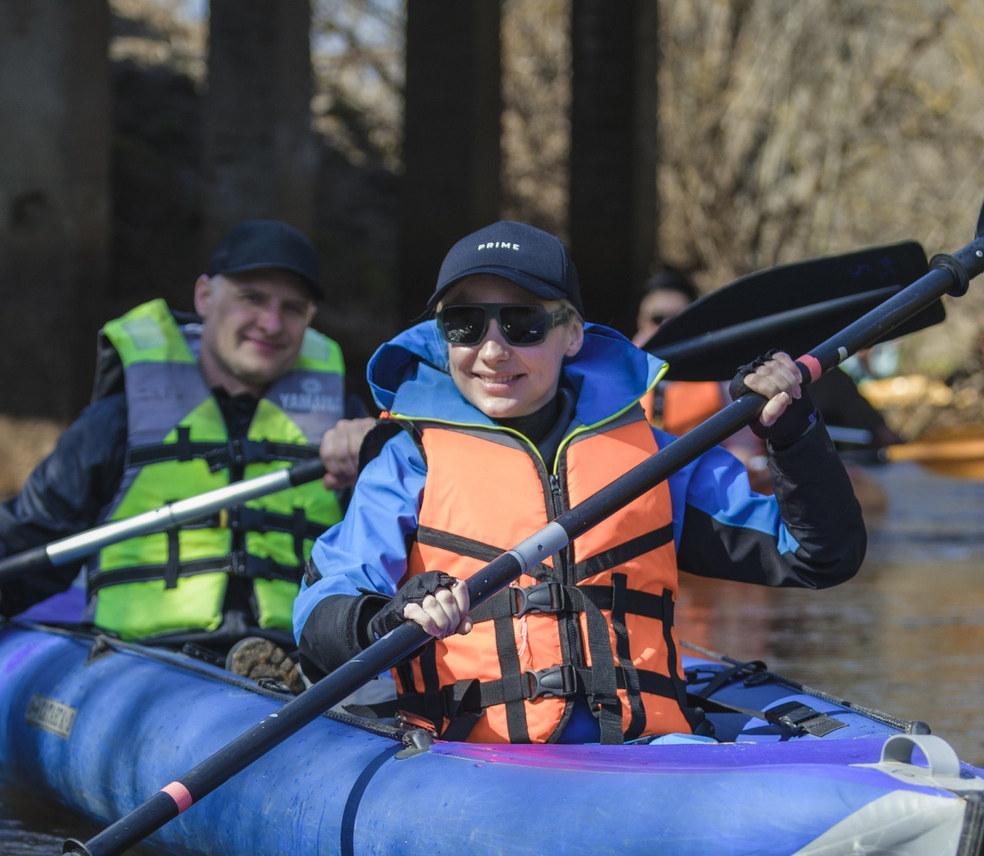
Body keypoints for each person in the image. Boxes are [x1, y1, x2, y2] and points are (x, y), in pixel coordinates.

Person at [294, 222, 865, 745]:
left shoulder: (654, 461)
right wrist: (391, 616)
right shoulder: (409, 461)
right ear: (443, 338)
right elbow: (323, 608)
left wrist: (793, 435)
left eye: (523, 323)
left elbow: (817, 556)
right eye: (465, 324)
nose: (493, 350)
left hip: (648, 750)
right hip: (471, 760)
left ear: (571, 334)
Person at [0, 221, 374, 677]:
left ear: (310, 319)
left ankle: (271, 680)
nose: (271, 323)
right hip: (149, 662)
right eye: (252, 299)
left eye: (292, 308)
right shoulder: (120, 418)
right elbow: (34, 534)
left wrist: (376, 454)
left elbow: (403, 529)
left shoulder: (347, 424)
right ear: (205, 296)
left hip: (300, 660)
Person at [629, 267, 727, 438]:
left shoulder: (721, 372)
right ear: (641, 321)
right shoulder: (616, 371)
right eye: (657, 319)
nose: (666, 327)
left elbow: (742, 446)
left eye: (677, 319)